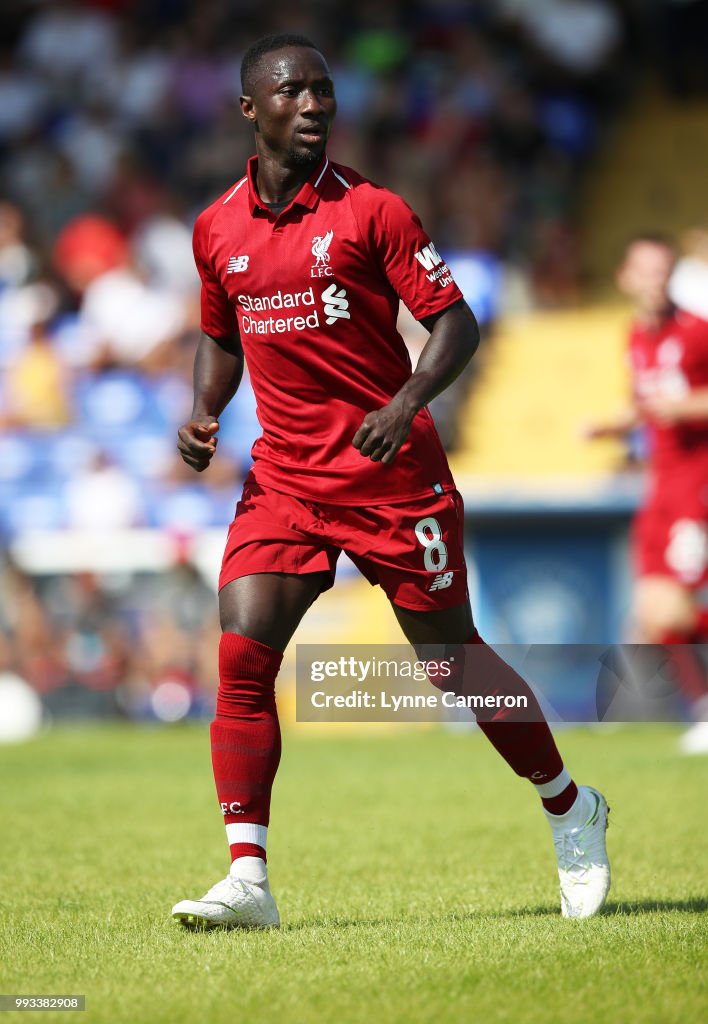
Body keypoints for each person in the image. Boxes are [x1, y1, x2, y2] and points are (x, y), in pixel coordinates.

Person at [171, 32, 610, 930]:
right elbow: (221, 333)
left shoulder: (375, 211)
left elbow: (456, 323)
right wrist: (205, 411)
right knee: (243, 659)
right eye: (293, 93)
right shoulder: (217, 227)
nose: (315, 106)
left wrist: (409, 399)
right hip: (286, 482)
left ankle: (571, 807)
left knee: (454, 667)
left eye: (324, 92)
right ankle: (248, 878)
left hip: (391, 479)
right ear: (251, 111)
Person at [588, 234, 708, 753]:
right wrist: (614, 426)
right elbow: (646, 402)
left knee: (675, 606)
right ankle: (703, 709)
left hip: (699, 483)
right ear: (626, 278)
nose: (656, 281)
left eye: (665, 271)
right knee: (654, 608)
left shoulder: (698, 333)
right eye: (647, 271)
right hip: (662, 485)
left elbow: (685, 402)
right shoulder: (636, 335)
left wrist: (685, 408)